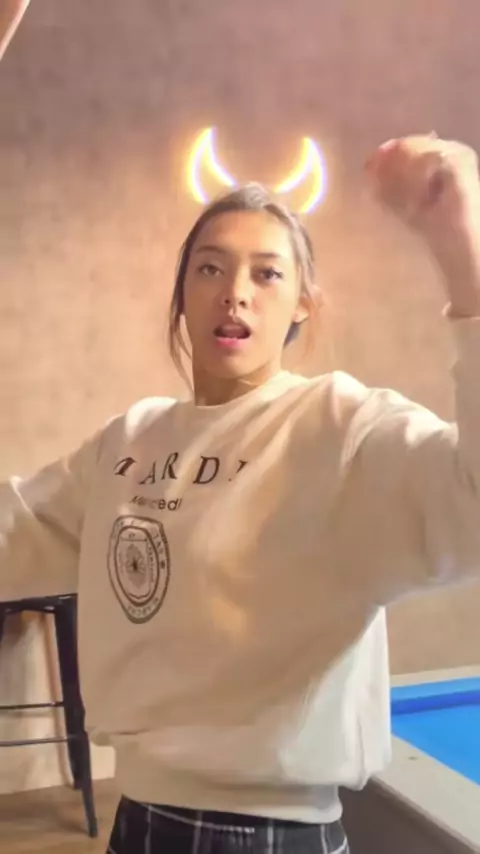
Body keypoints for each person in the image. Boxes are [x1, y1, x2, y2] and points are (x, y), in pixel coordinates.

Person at [3, 8, 480, 854]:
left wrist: (463, 251)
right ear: (182, 295)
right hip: (139, 819)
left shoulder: (340, 426)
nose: (236, 292)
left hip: (278, 834)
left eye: (267, 274)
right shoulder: (130, 441)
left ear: (302, 306)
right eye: (210, 268)